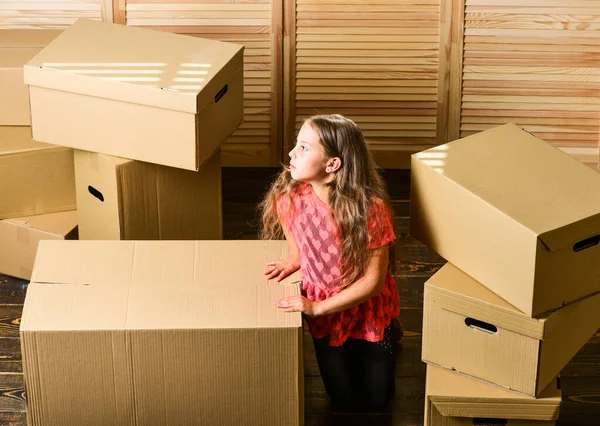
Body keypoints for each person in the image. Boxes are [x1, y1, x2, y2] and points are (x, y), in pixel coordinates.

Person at [259, 114, 401, 412]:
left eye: (304, 148)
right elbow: (290, 224)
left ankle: (390, 341)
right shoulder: (291, 197)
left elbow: (373, 283)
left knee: (379, 398)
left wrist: (315, 308)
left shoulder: (369, 211)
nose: (291, 154)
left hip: (366, 310)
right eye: (296, 145)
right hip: (324, 313)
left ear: (332, 165)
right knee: (341, 397)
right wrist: (297, 257)